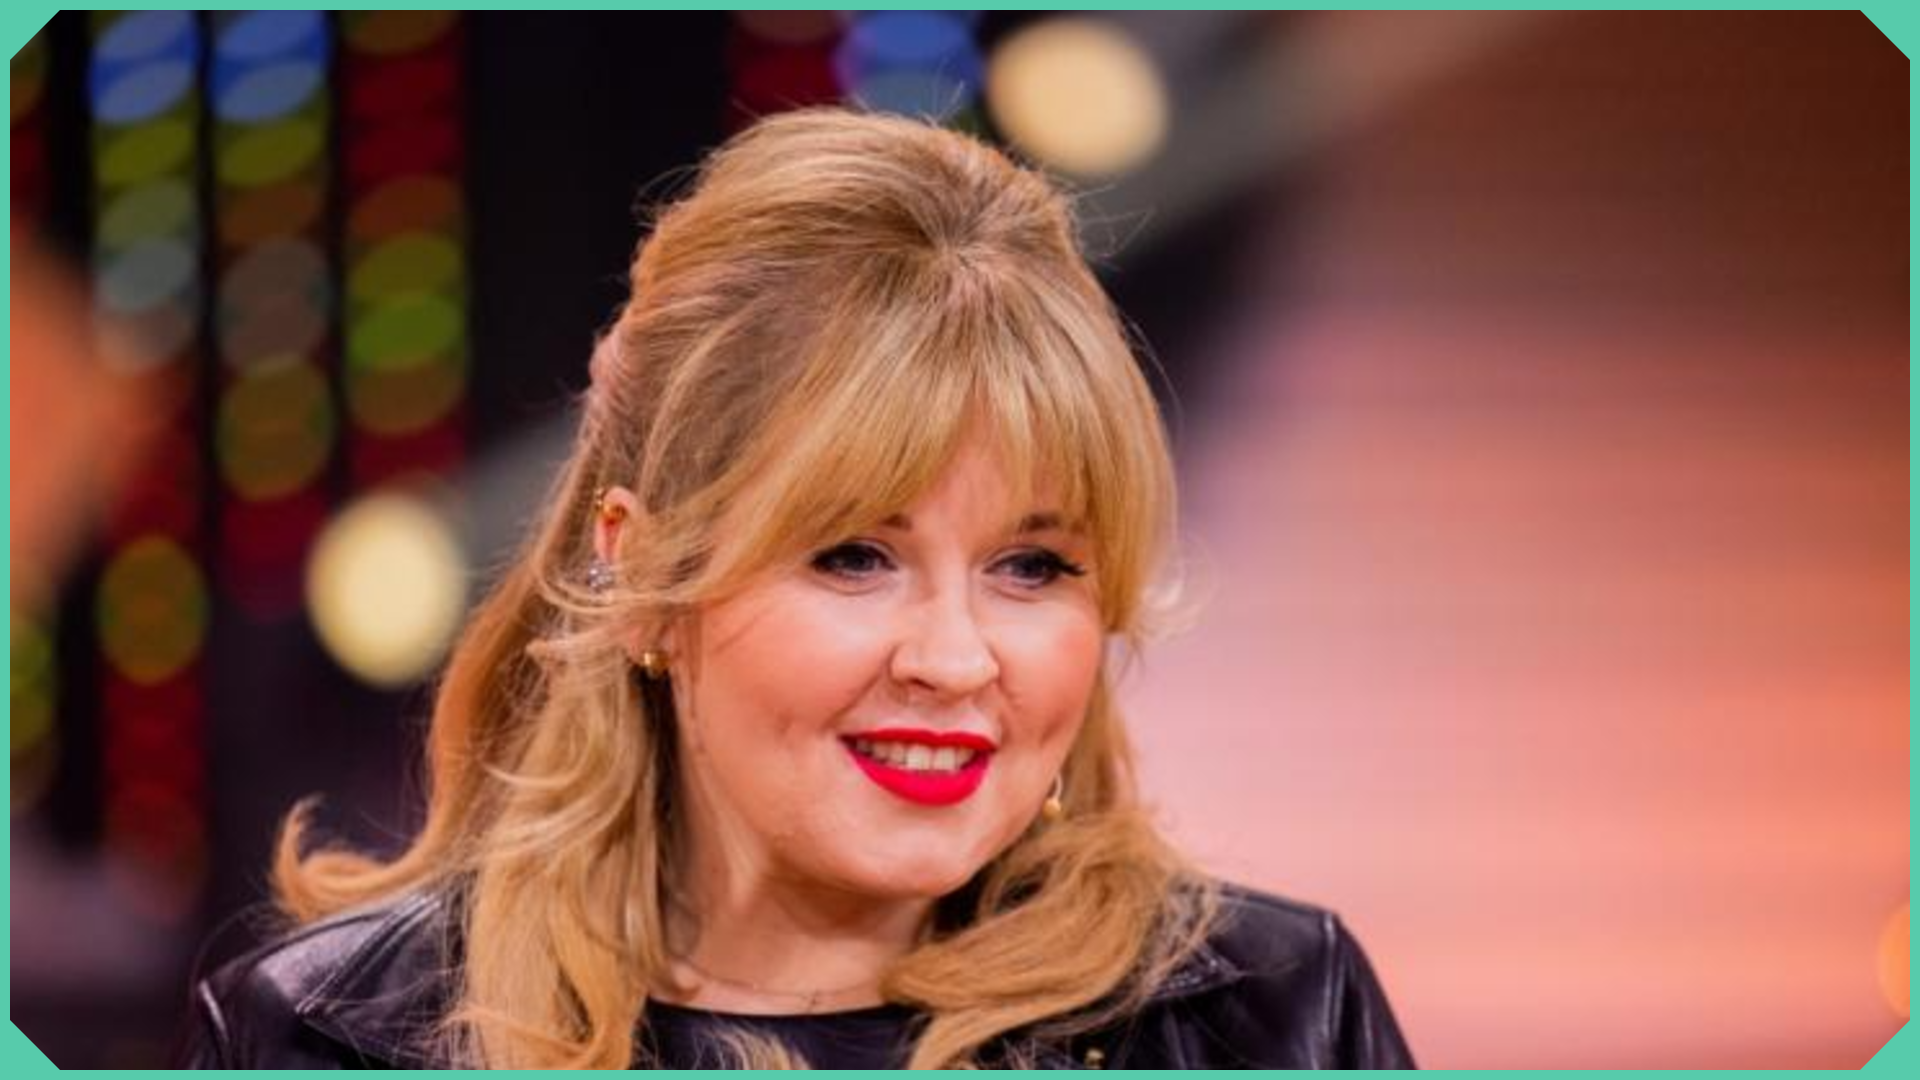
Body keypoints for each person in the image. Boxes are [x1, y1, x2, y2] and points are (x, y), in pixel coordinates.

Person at [174, 107, 1416, 1070]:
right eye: (852, 555)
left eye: (1031, 566)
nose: (954, 658)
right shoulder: (332, 1040)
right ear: (640, 570)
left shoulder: (1272, 1021)